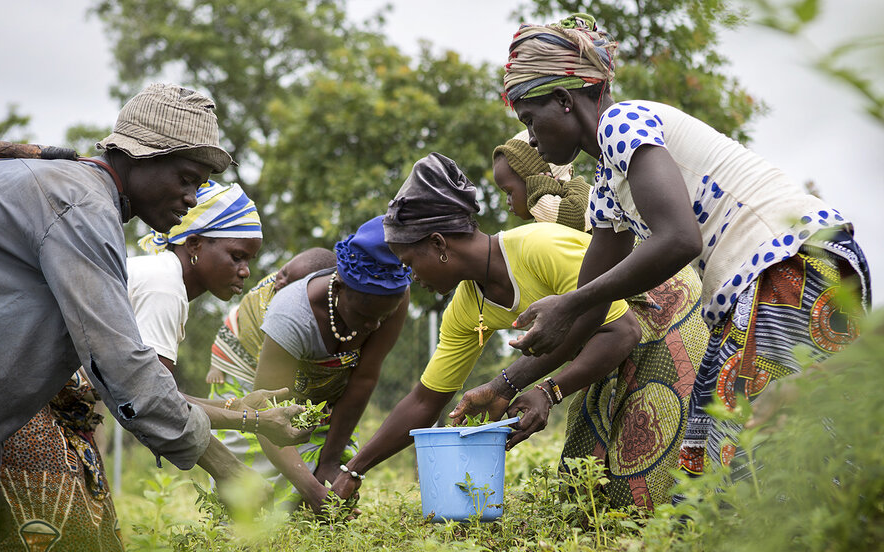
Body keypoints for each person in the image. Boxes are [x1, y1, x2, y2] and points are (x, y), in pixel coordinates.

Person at [0, 82, 251, 552]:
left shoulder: (59, 192)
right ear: (143, 158)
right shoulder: (81, 206)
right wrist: (226, 468)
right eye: (187, 178)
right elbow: (120, 364)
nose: (192, 198)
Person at [500, 14, 871, 483]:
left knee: (767, 457)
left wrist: (570, 303)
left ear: (563, 99)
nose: (530, 137)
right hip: (776, 273)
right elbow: (587, 311)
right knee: (726, 458)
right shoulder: (607, 188)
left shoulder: (621, 122)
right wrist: (506, 385)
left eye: (530, 120)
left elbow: (678, 239)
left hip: (787, 264)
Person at [0, 180, 308, 552]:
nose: (245, 271)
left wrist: (237, 407)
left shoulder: (160, 279)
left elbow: (154, 392)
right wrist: (253, 422)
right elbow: (155, 401)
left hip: (58, 412)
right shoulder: (163, 284)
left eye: (249, 259)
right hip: (33, 408)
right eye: (236, 255)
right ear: (194, 245)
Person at [330, 153, 701, 509]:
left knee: (647, 483)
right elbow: (425, 401)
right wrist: (353, 471)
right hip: (613, 348)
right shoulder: (466, 307)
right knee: (584, 487)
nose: (412, 277)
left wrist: (548, 390)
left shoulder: (538, 247)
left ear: (438, 244)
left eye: (410, 262)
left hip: (666, 315)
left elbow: (622, 331)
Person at [490, 138, 709, 507]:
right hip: (629, 315)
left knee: (650, 421)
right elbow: (583, 322)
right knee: (595, 417)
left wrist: (526, 386)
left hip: (660, 310)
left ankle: (651, 528)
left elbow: (590, 321)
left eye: (509, 190)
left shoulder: (557, 227)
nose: (507, 201)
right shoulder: (556, 228)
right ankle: (598, 519)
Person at [240, 216, 411, 512]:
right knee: (259, 499)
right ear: (341, 287)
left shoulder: (390, 295)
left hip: (323, 382)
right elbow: (263, 415)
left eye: (383, 316)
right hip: (250, 361)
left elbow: (363, 379)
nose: (373, 326)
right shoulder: (292, 316)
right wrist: (310, 489)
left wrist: (330, 463)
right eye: (363, 314)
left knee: (328, 466)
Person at [206, 247, 338, 398]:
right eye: (283, 273)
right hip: (239, 361)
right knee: (227, 405)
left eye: (291, 284)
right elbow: (246, 311)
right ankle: (217, 363)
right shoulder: (267, 290)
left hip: (272, 375)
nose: (279, 283)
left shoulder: (318, 315)